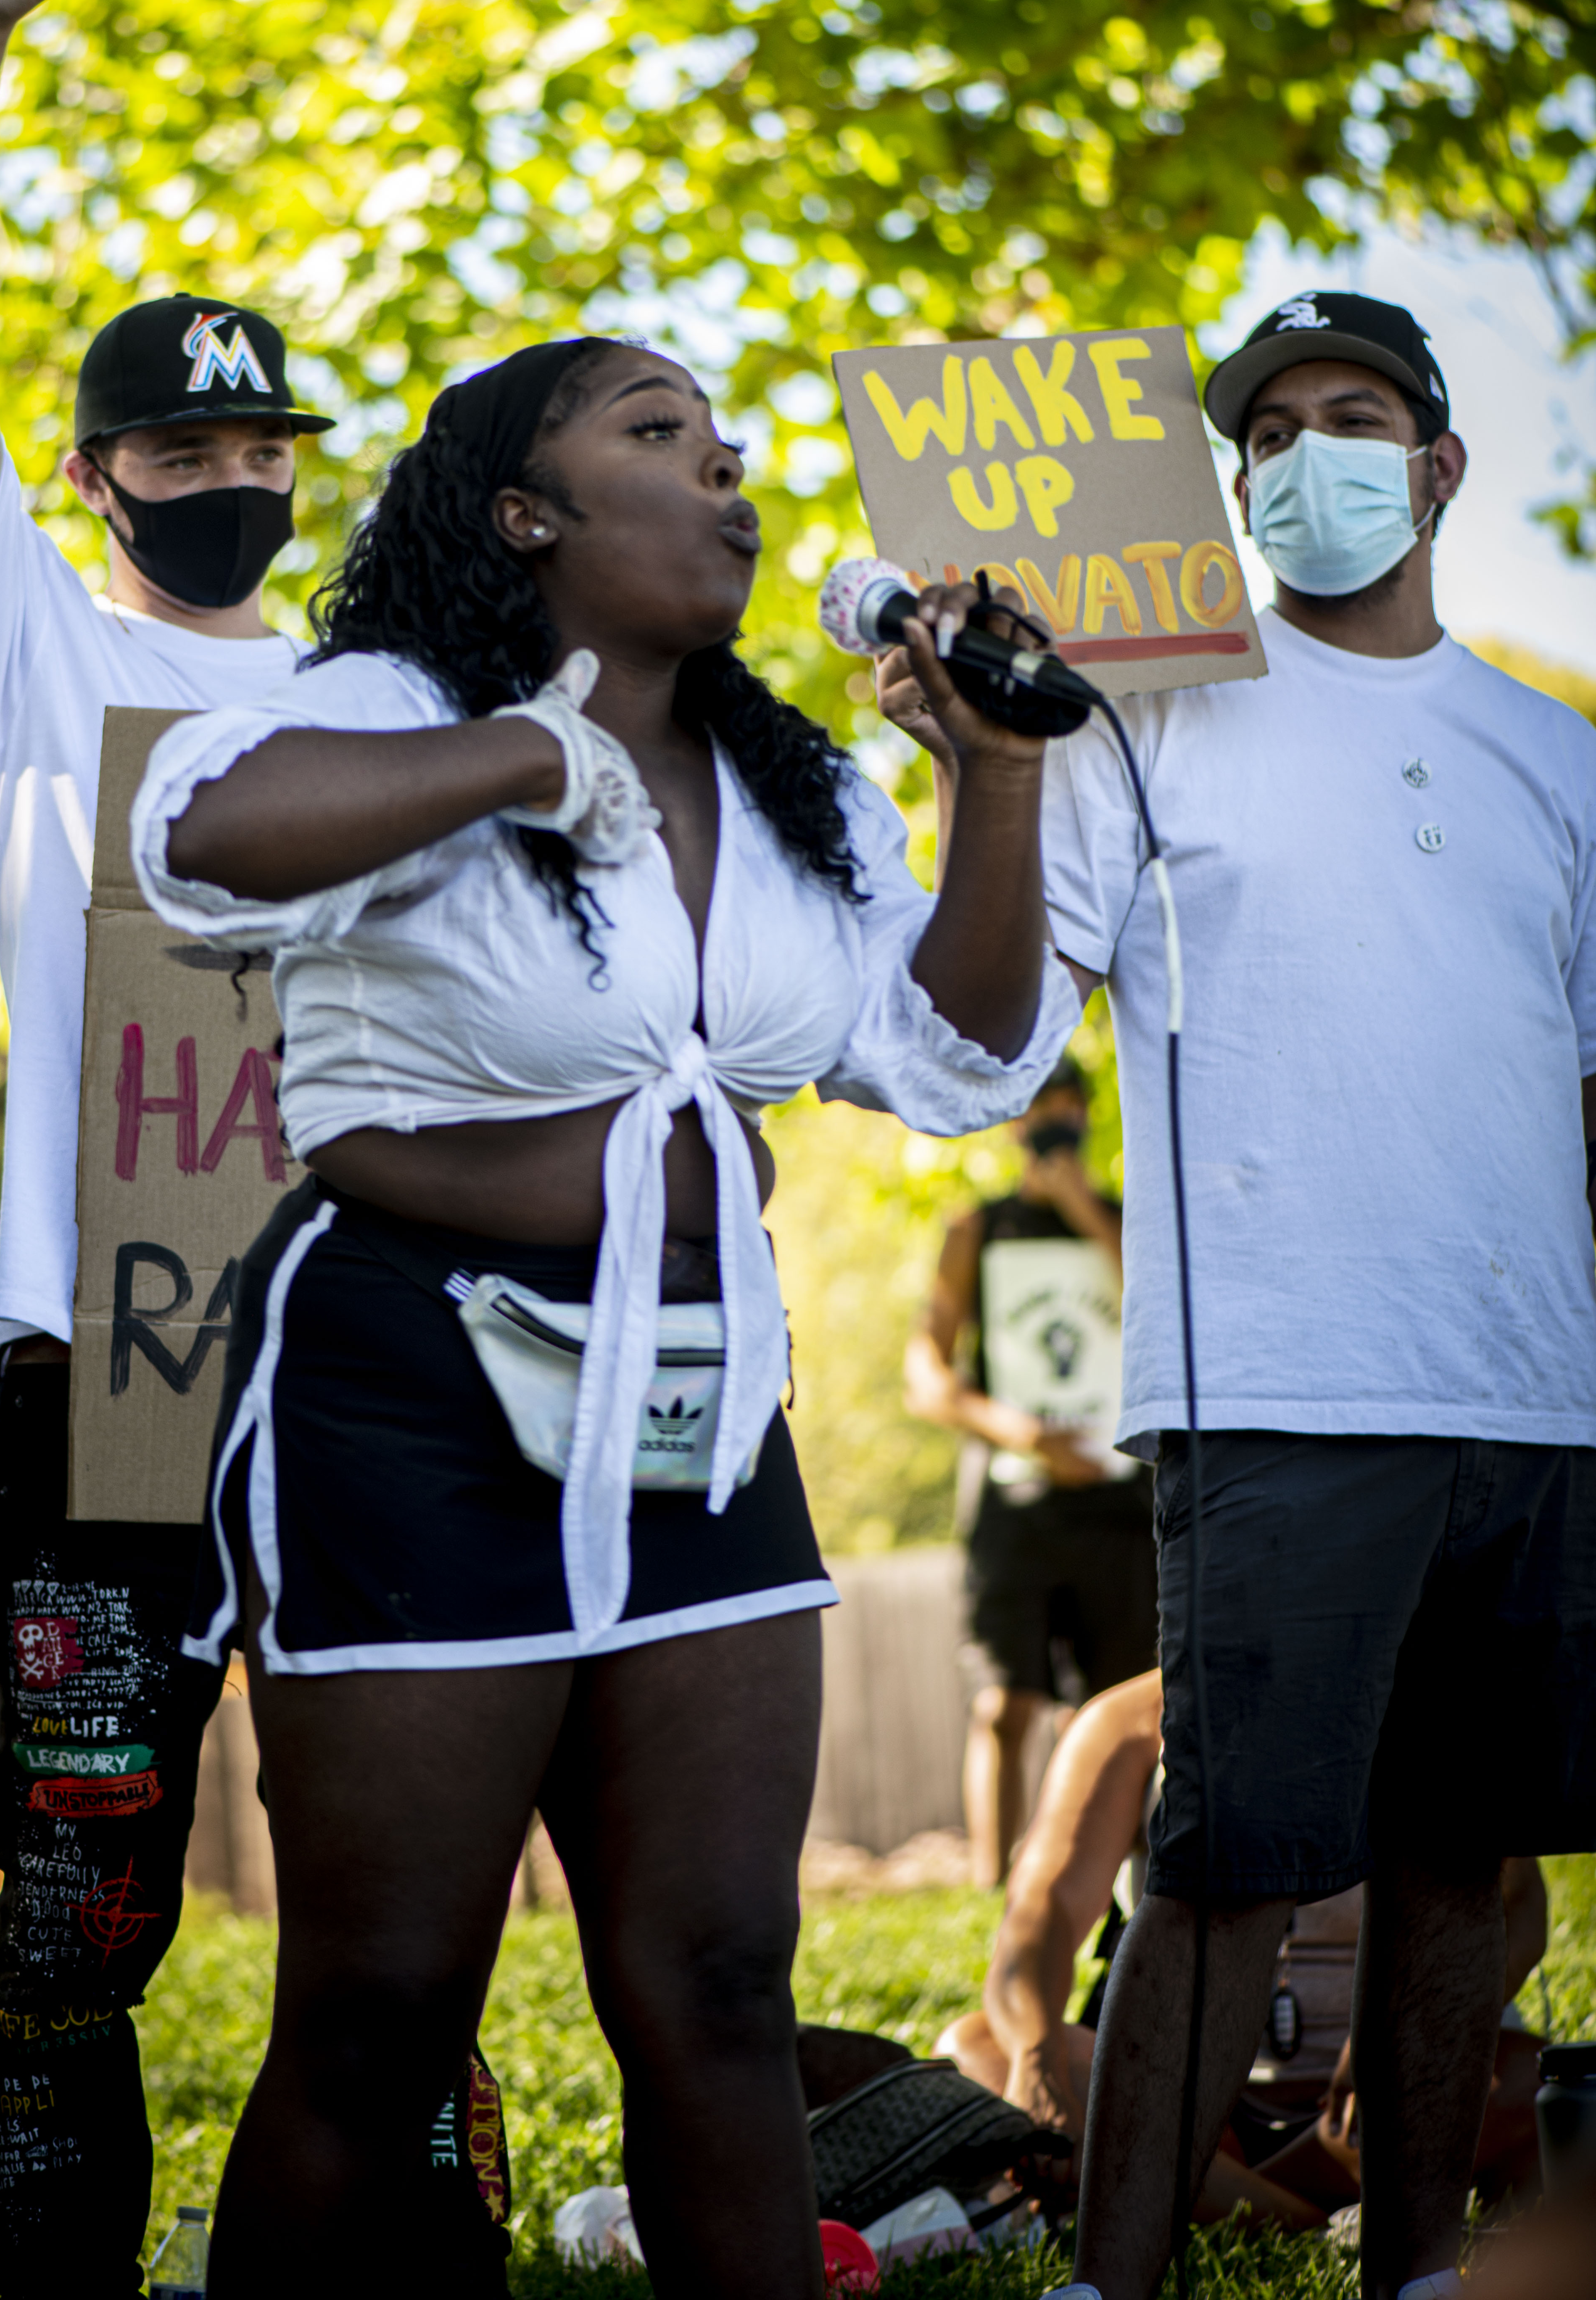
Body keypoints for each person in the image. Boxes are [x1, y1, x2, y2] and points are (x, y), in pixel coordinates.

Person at [128, 335, 1079, 2294]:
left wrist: (994, 778)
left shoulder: (790, 781)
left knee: (718, 1979)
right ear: (522, 511)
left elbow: (960, 1054)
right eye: (659, 435)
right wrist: (522, 759)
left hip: (698, 1407)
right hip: (409, 1390)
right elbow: (195, 842)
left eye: (729, 450)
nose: (726, 476)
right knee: (383, 2004)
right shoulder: (395, 701)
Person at [1031, 290, 1596, 2300]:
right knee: (1222, 1867)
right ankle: (1106, 2280)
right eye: (1263, 434)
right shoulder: (1134, 714)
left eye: (1347, 417)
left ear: (1435, 465)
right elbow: (999, 1015)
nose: (1301, 458)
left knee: (1461, 1868)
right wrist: (981, 748)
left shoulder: (1555, 752)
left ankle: (1417, 2269)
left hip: (1527, 1395)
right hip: (1276, 1378)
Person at [0, 0, 333, 2295]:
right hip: (110, 1353)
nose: (228, 475)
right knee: (84, 1856)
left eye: (263, 445)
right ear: (95, 473)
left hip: (359, 1351)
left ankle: (398, 2233)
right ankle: (53, 2252)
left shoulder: (382, 687)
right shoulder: (30, 651)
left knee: (393, 1840)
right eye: (183, 445)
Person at [935, 1671, 1547, 2227]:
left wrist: (1394, 2037)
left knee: (1533, 2080)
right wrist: (1038, 2065)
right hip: (1178, 2107)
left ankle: (1205, 2202)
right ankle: (1302, 2222)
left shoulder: (1435, 1709)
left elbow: (1519, 1912)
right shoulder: (1129, 1721)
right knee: (975, 2050)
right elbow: (1038, 1921)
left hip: (1374, 2113)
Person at [905, 1058, 1153, 1883]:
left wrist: (1080, 1206)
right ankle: (991, 1884)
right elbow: (925, 1374)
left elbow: (1160, 1313)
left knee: (1113, 1709)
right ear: (1012, 1120)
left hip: (1120, 1505)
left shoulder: (1129, 1222)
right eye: (1039, 1108)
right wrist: (1021, 1432)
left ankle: (1103, 1882)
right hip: (1013, 1506)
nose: (1054, 1123)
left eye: (1068, 1107)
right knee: (1004, 1703)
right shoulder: (976, 1229)